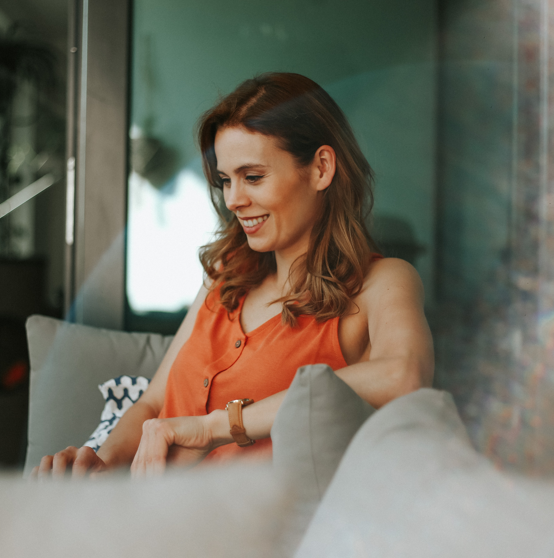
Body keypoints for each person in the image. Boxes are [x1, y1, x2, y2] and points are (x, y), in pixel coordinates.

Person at [32, 72, 434, 479]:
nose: (234, 200)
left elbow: (405, 375)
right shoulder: (226, 276)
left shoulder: (381, 283)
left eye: (253, 177)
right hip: (143, 514)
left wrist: (215, 428)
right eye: (226, 180)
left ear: (321, 169)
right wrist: (98, 463)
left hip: (239, 529)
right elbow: (154, 403)